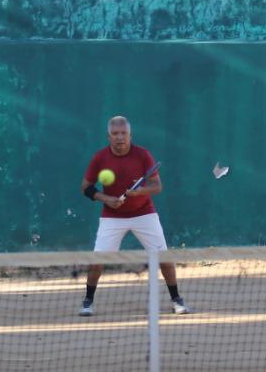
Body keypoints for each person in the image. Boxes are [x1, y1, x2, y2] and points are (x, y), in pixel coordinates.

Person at [78, 115, 188, 317]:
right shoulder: (100, 158)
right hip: (112, 216)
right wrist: (106, 198)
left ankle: (177, 299)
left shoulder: (143, 155)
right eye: (115, 134)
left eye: (123, 134)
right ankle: (88, 301)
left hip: (144, 213)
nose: (120, 138)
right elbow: (85, 188)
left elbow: (157, 186)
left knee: (163, 256)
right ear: (108, 136)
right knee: (97, 260)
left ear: (130, 135)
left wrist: (138, 192)